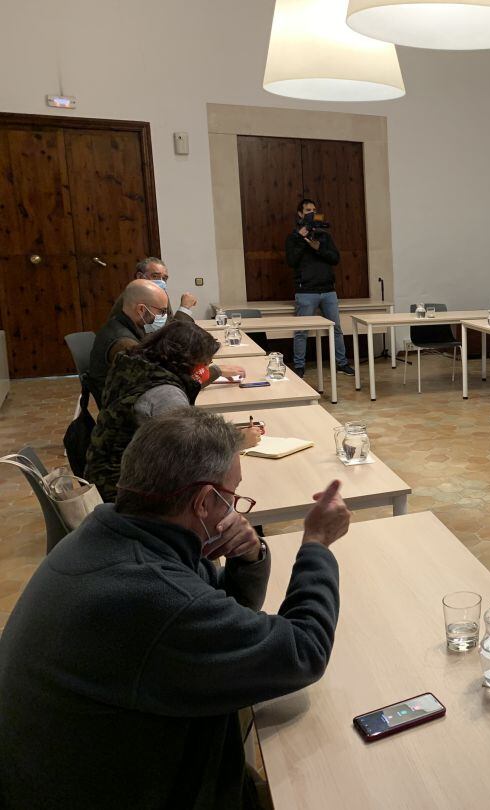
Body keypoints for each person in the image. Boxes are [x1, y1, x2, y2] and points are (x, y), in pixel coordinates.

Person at [0, 408, 351, 810]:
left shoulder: (113, 533)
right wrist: (317, 544)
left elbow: (221, 618)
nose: (236, 510)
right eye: (231, 496)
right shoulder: (151, 595)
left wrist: (249, 557)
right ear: (203, 501)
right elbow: (303, 652)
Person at [85, 320, 261, 502]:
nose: (205, 369)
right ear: (187, 361)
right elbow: (189, 451)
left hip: (103, 472)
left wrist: (215, 372)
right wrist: (238, 440)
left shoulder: (135, 366)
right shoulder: (165, 396)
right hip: (125, 492)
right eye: (204, 364)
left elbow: (185, 382)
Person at [285, 198, 355, 378]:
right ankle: (299, 366)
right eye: (308, 210)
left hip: (328, 291)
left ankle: (342, 363)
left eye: (314, 210)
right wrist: (302, 239)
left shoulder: (324, 236)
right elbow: (291, 261)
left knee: (336, 328)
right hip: (306, 291)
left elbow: (335, 259)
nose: (311, 213)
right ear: (300, 213)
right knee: (302, 331)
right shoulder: (293, 237)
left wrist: (318, 248)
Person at [86, 278, 172, 407]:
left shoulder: (124, 324)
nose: (164, 316)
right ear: (141, 310)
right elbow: (152, 379)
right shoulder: (124, 343)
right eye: (162, 311)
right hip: (125, 412)